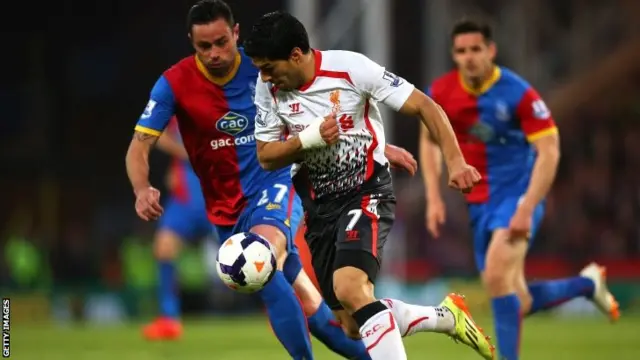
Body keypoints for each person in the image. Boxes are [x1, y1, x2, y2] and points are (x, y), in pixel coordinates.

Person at [125, 1, 413, 358]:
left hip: (275, 185)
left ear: (236, 33)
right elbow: (139, 146)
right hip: (225, 211)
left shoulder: (264, 64)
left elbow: (323, 99)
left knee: (260, 260)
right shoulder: (174, 83)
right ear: (191, 42)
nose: (214, 53)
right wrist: (141, 189)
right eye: (204, 46)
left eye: (221, 42)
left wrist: (379, 145)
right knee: (315, 312)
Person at [244, 11, 494, 360]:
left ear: (296, 55)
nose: (263, 75)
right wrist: (307, 140)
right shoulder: (267, 86)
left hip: (365, 192)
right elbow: (266, 156)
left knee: (350, 286)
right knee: (351, 322)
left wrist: (456, 161)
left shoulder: (351, 68)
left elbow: (425, 105)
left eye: (269, 67)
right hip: (318, 207)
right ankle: (446, 317)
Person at [419, 18, 620, 359]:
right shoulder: (440, 93)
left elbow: (550, 149)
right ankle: (587, 285)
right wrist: (434, 197)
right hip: (477, 203)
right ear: (454, 55)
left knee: (497, 274)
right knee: (517, 299)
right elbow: (429, 140)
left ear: (491, 51)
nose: (468, 57)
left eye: (476, 49)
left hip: (516, 197)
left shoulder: (519, 93)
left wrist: (528, 206)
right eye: (461, 51)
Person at [140, 118, 214, 340]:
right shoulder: (176, 101)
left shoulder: (225, 100)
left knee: (253, 250)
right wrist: (184, 153)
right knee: (164, 247)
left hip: (218, 192)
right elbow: (156, 134)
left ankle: (276, 310)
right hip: (185, 195)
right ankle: (169, 318)